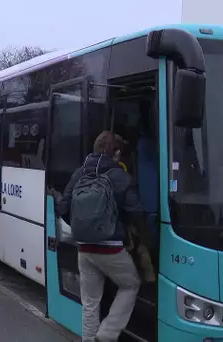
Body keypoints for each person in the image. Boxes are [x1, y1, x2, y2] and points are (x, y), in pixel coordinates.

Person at [56, 131, 146, 342]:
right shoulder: (119, 176)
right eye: (119, 153)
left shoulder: (79, 173)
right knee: (130, 284)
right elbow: (137, 211)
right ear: (115, 153)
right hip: (111, 247)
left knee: (90, 303)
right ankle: (107, 334)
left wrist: (82, 228)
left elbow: (63, 206)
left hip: (85, 248)